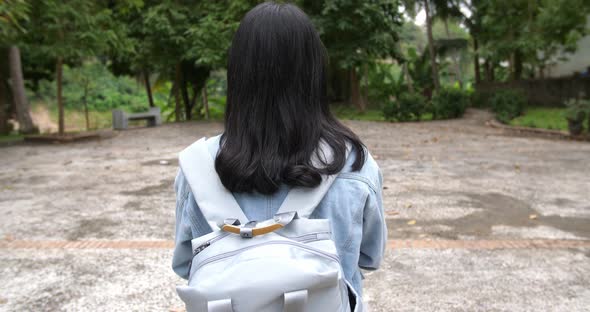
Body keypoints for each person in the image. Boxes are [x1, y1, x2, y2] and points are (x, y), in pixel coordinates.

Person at [172, 1, 386, 308]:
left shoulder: (197, 167)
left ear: (238, 74)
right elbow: (368, 257)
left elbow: (184, 265)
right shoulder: (354, 164)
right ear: (313, 73)